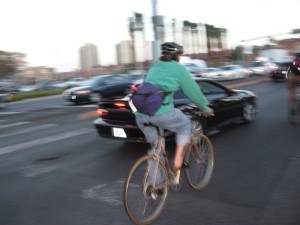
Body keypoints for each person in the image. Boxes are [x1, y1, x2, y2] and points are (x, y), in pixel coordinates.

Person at [135, 42, 214, 172]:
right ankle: (178, 159)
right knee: (185, 123)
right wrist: (205, 109)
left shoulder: (154, 65)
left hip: (140, 115)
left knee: (156, 150)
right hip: (161, 113)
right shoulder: (179, 69)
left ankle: (154, 187)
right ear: (177, 56)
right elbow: (192, 91)